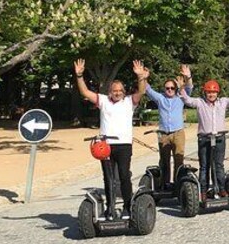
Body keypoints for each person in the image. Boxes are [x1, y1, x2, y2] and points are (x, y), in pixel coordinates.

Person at [74, 58, 148, 219]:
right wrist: (79, 76)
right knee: (108, 178)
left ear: (124, 91)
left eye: (120, 90)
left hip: (123, 145)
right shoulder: (103, 101)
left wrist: (141, 77)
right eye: (114, 90)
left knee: (123, 176)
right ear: (110, 91)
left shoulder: (129, 102)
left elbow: (141, 91)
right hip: (105, 146)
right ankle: (110, 208)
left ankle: (128, 207)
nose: (117, 93)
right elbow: (85, 92)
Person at [178, 74, 229, 202]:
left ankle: (221, 188)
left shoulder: (223, 102)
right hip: (204, 138)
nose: (211, 95)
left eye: (214, 92)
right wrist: (182, 87)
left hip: (219, 138)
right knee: (204, 166)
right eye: (209, 92)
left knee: (219, 165)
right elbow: (186, 100)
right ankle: (203, 191)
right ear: (205, 93)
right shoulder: (200, 103)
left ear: (217, 93)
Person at [145, 64, 193, 186]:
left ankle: (179, 184)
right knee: (164, 161)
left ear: (176, 88)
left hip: (178, 133)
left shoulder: (181, 97)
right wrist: (143, 77)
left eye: (172, 88)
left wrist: (188, 76)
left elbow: (189, 87)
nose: (170, 90)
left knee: (179, 159)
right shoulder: (160, 98)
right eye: (167, 88)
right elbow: (147, 89)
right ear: (164, 89)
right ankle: (164, 184)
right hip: (164, 134)